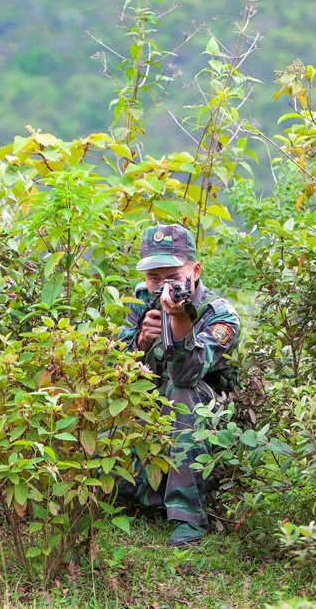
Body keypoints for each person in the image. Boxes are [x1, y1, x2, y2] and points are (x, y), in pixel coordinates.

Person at [118, 224, 241, 546]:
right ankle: (146, 493)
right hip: (150, 418)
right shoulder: (141, 300)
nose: (162, 286)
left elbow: (188, 376)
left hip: (205, 425)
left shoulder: (219, 315)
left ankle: (188, 516)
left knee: (181, 391)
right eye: (154, 278)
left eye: (172, 276)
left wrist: (181, 321)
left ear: (195, 270)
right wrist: (141, 342)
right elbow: (115, 368)